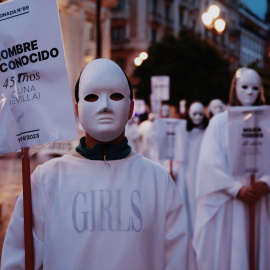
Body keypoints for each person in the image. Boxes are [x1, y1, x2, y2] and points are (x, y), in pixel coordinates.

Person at [1, 58, 197, 270]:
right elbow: (16, 261)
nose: (104, 106)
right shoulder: (46, 181)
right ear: (78, 110)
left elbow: (179, 261)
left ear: (131, 108)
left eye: (115, 96)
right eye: (93, 97)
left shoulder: (158, 182)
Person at [193, 67, 270, 270]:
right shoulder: (219, 122)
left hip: (259, 199)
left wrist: (267, 182)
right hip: (231, 202)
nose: (250, 92)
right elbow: (210, 162)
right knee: (234, 250)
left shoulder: (267, 122)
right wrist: (236, 189)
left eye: (255, 88)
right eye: (244, 87)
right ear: (235, 88)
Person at [175, 101, 208, 239]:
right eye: (195, 114)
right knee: (189, 202)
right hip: (188, 172)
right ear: (189, 114)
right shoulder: (184, 133)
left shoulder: (207, 132)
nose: (198, 117)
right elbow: (179, 154)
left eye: (201, 114)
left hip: (202, 172)